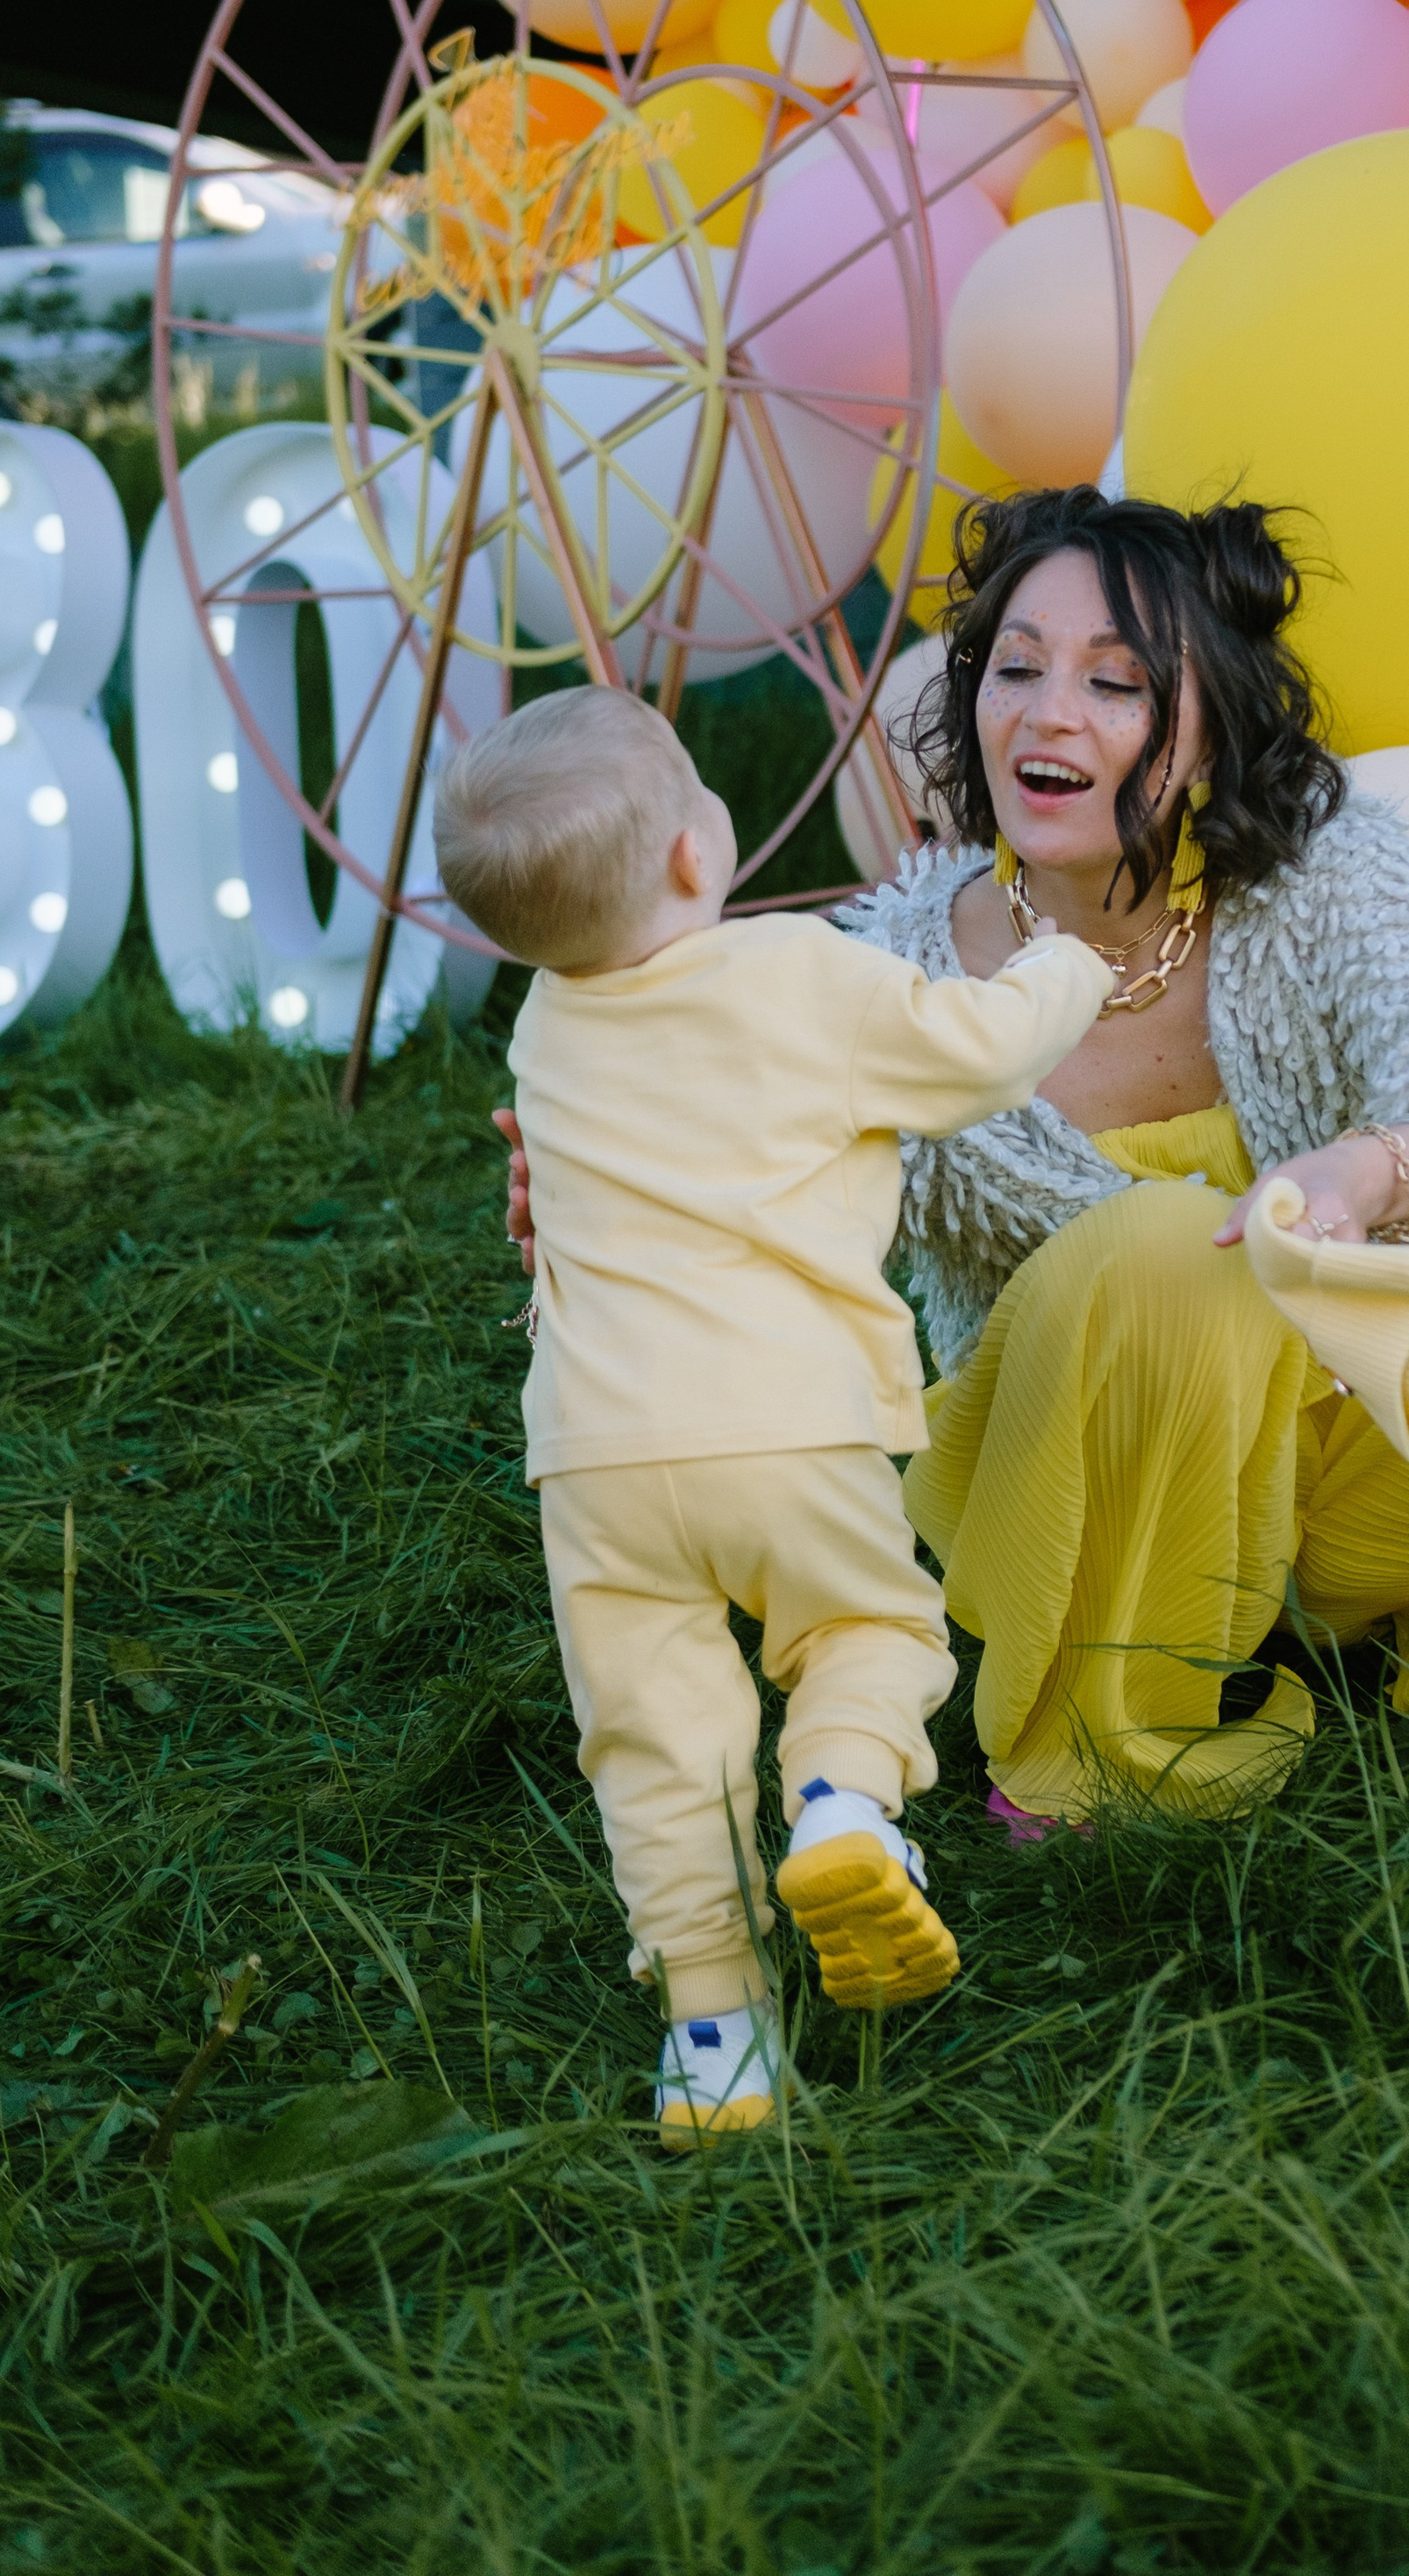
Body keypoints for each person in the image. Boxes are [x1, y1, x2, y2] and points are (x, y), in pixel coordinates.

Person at [836, 488, 1409, 1827]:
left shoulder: (1316, 871)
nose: (1048, 715)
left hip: (1343, 1435)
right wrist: (603, 1190)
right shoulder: (892, 984)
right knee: (1169, 1254)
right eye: (1015, 669)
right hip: (1088, 1495)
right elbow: (748, 1167)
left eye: (1116, 684)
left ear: (1210, 734)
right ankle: (1096, 1752)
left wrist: (1381, 1168)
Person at [440, 682, 1108, 2132]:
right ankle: (844, 1807)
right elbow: (980, 1054)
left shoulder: (546, 1029)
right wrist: (1068, 963)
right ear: (700, 849)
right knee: (870, 1631)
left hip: (598, 1461)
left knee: (653, 1738)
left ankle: (713, 2036)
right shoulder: (799, 971)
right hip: (788, 1421)